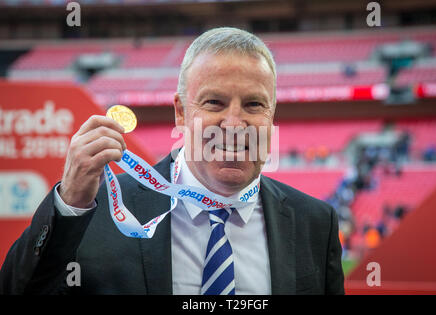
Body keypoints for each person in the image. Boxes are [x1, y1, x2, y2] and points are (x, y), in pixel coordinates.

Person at [0, 27, 344, 295]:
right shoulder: (97, 212)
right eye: (214, 103)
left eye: (254, 105)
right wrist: (69, 205)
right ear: (181, 112)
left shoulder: (315, 222)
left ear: (272, 115)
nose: (235, 123)